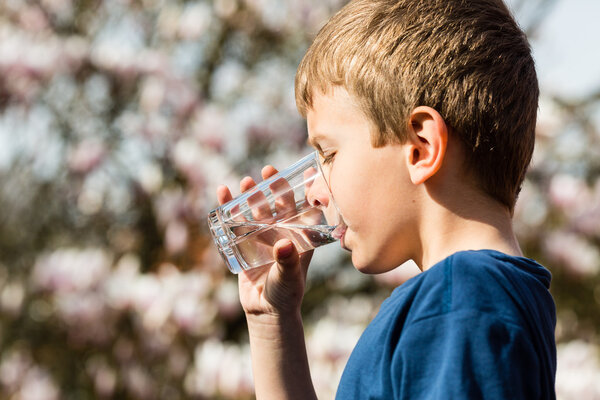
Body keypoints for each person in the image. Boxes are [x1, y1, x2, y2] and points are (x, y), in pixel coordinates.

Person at [216, 0, 557, 398]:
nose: (313, 191)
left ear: (420, 149)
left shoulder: (459, 300)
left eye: (328, 154)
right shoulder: (479, 298)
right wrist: (272, 322)